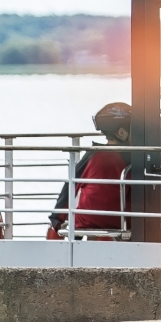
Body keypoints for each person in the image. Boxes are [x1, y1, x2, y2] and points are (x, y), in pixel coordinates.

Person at [50, 101, 134, 236]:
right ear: (122, 132)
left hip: (86, 222)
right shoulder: (132, 157)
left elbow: (70, 186)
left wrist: (56, 219)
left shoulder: (93, 155)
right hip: (122, 222)